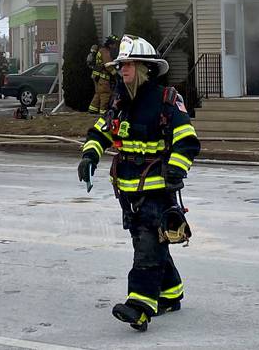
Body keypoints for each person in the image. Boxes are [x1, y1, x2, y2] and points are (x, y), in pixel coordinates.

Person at [77, 35, 200, 333]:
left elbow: (188, 141)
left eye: (128, 64)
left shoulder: (166, 100)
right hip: (128, 193)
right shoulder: (120, 101)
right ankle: (170, 294)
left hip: (157, 192)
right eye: (121, 65)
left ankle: (140, 306)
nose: (123, 70)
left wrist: (175, 170)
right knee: (150, 243)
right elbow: (101, 132)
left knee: (146, 247)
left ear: (145, 67)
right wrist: (89, 156)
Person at [87, 35, 119, 114]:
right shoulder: (105, 52)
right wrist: (116, 74)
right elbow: (108, 65)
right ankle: (103, 111)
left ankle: (93, 109)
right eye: (114, 44)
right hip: (103, 77)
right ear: (110, 44)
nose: (115, 46)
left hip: (96, 76)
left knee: (98, 93)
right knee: (105, 93)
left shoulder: (101, 50)